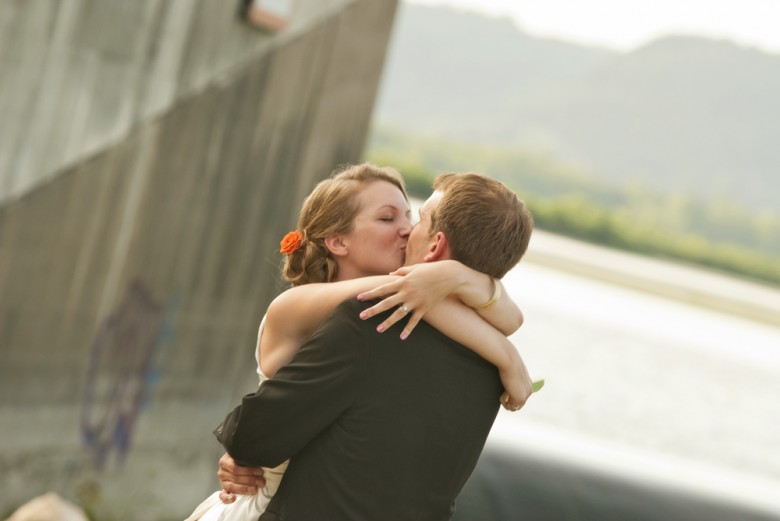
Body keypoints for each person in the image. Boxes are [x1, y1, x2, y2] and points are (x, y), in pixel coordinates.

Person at [185, 165, 534, 520]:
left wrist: (451, 279)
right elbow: (502, 317)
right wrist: (501, 348)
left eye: (412, 217)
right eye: (387, 218)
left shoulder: (379, 318)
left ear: (435, 245)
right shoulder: (309, 307)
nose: (406, 229)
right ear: (337, 241)